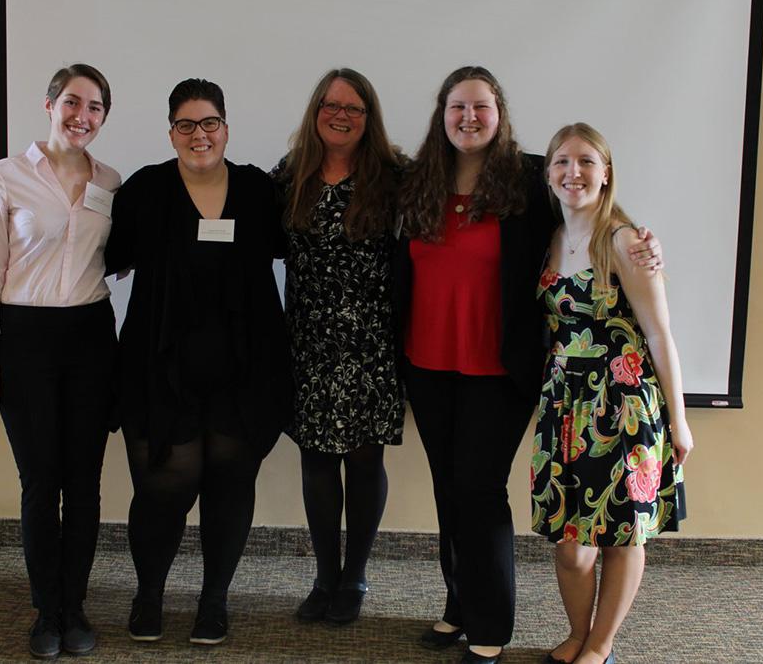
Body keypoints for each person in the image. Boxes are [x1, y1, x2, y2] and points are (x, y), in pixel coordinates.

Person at [395, 67, 663, 664]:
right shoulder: (417, 181)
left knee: (480, 491)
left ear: (499, 113)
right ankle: (458, 604)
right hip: (428, 363)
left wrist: (643, 240)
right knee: (448, 490)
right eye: (458, 107)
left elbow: (592, 206)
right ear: (442, 114)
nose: (469, 118)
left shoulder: (528, 178)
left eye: (481, 107)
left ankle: (489, 629)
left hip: (500, 369)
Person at [104, 78, 292, 647]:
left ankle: (214, 602)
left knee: (231, 486)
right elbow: (108, 259)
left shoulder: (261, 191)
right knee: (163, 487)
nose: (199, 135)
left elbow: (294, 250)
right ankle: (149, 595)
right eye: (186, 125)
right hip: (161, 367)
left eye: (209, 123)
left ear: (226, 128)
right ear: (171, 133)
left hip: (244, 368)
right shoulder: (143, 191)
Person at [0, 63, 119, 659]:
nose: (83, 116)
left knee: (83, 482)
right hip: (25, 336)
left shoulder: (111, 180)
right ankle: (44, 612)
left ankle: (74, 608)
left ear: (104, 116)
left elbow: (117, 255)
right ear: (50, 104)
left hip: (89, 336)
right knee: (39, 481)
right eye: (73, 103)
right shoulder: (6, 176)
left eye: (96, 107)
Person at [532, 123, 691, 664]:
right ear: (548, 171)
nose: (572, 172)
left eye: (585, 162)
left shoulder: (623, 241)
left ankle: (600, 644)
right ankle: (577, 633)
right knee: (572, 548)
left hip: (622, 405)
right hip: (564, 407)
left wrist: (680, 421)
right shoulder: (548, 238)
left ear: (605, 173)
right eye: (561, 162)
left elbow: (658, 334)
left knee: (623, 535)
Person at [271, 68, 405, 625]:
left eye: (353, 107)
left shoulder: (394, 176)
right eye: (330, 104)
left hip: (371, 341)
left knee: (364, 457)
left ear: (368, 117)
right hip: (308, 340)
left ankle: (355, 577)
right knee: (317, 460)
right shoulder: (290, 174)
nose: (340, 114)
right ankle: (325, 577)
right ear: (316, 111)